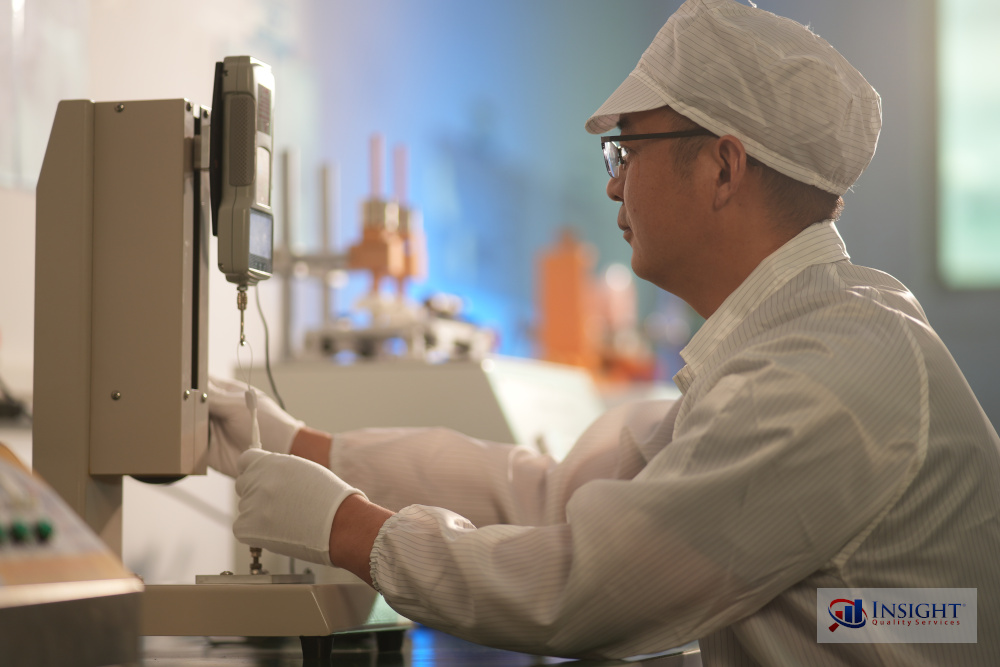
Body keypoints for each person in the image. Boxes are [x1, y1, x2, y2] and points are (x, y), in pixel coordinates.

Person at [208, 0, 1000, 664]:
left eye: (628, 147)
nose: (615, 180)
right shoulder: (801, 341)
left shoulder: (822, 377)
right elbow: (552, 495)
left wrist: (345, 526)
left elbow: (583, 588)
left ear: (724, 167)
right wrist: (299, 443)